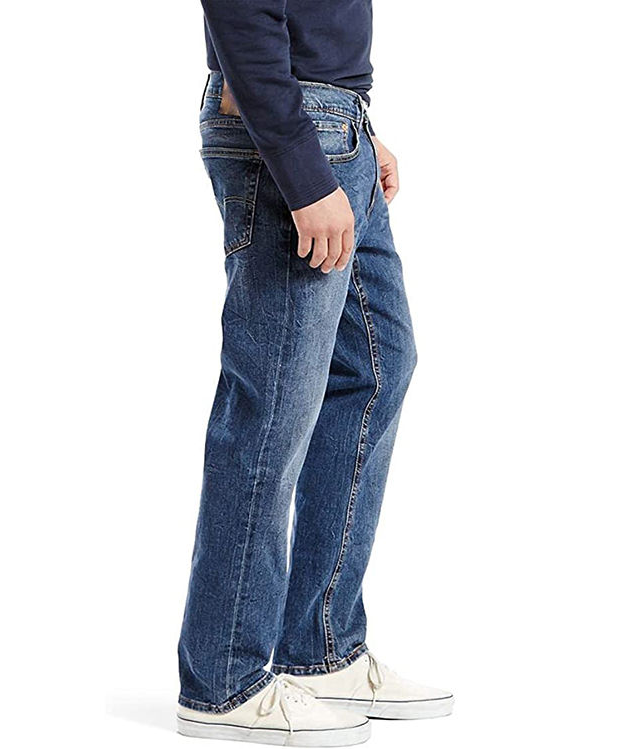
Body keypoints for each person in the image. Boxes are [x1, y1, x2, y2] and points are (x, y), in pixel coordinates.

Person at [177, 1, 453, 744]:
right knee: (271, 406)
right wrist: (304, 169)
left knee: (378, 365)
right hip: (292, 131)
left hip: (335, 125)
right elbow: (242, 11)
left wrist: (356, 129)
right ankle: (223, 679)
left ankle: (320, 648)